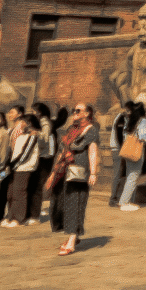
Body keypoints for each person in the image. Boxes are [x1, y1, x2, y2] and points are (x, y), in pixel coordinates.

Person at [52, 101, 100, 255]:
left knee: (75, 203)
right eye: (73, 111)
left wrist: (93, 172)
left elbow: (93, 151)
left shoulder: (91, 130)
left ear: (87, 113)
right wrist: (56, 169)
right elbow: (62, 149)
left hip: (79, 172)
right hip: (65, 170)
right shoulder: (71, 130)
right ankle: (74, 234)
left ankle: (71, 241)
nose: (75, 113)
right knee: (64, 203)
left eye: (78, 111)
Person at [1, 112, 43, 226]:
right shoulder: (21, 136)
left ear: (28, 123)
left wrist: (13, 165)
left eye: (23, 121)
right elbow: (14, 152)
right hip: (16, 167)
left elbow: (25, 154)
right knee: (11, 193)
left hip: (24, 168)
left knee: (19, 193)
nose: (20, 124)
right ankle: (10, 216)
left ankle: (18, 218)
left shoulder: (33, 136)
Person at [113, 99, 146, 211]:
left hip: (127, 150)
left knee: (130, 175)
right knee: (133, 177)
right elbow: (143, 136)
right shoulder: (142, 121)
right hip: (136, 150)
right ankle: (124, 202)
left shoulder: (130, 121)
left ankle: (123, 200)